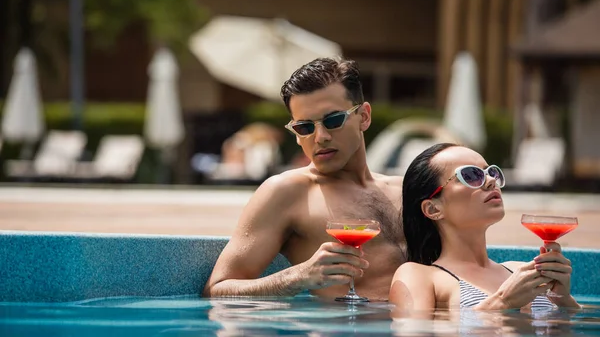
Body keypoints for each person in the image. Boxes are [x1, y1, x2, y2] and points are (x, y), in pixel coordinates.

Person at [203, 57, 406, 301]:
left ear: (363, 116)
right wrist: (298, 277)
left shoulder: (405, 190)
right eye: (305, 127)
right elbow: (218, 289)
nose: (320, 137)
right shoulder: (289, 192)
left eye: (333, 120)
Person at [389, 142, 581, 311]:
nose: (490, 181)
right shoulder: (420, 277)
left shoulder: (521, 271)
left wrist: (563, 301)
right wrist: (503, 302)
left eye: (492, 173)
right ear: (433, 208)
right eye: (471, 175)